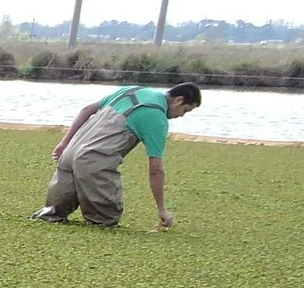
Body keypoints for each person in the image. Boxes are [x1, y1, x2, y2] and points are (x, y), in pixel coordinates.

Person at [35, 81, 201, 230]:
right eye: (185, 110)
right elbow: (156, 170)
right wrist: (162, 209)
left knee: (52, 213)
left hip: (69, 154)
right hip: (94, 161)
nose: (181, 116)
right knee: (105, 220)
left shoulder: (131, 90)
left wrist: (64, 143)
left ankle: (50, 218)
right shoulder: (157, 118)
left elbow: (87, 110)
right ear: (178, 100)